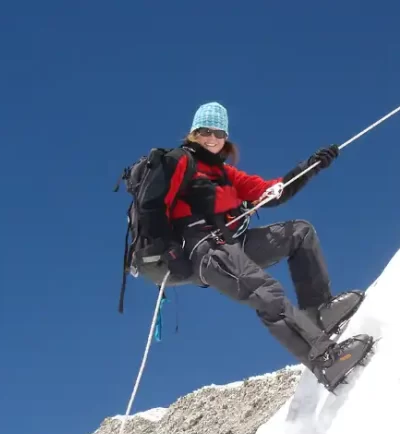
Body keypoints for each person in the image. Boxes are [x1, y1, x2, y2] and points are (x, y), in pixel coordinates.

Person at [156, 102, 372, 390]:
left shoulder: (226, 174)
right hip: (205, 250)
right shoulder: (181, 163)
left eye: (219, 132)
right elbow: (155, 208)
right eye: (205, 131)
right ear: (193, 133)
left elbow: (272, 192)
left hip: (233, 243)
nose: (212, 138)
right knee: (267, 294)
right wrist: (171, 252)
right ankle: (325, 361)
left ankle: (317, 313)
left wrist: (311, 166)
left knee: (300, 232)